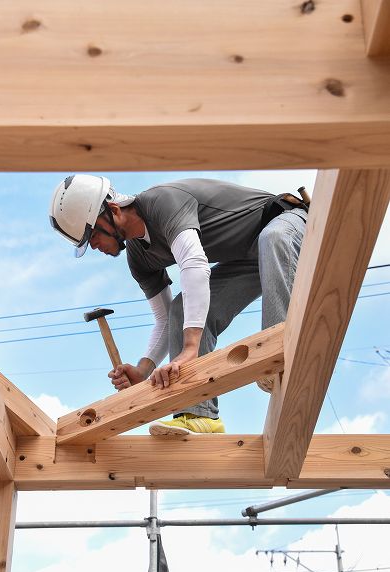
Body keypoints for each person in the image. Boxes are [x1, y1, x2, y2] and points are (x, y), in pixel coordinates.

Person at [50, 175, 308, 437]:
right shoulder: (139, 257)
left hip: (287, 224)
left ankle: (280, 356)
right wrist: (143, 370)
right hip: (249, 259)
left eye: (92, 235)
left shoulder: (162, 203)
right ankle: (200, 417)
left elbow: (194, 264)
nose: (93, 246)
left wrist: (190, 349)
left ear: (113, 211)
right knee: (181, 310)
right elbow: (164, 320)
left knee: (273, 238)